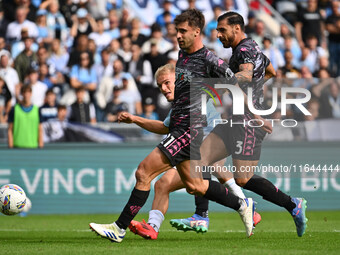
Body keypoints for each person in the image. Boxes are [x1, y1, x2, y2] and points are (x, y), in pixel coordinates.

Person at [89, 9, 269, 242]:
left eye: (183, 31)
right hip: (180, 127)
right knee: (196, 185)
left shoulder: (209, 60)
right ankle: (242, 205)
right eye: (177, 31)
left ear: (197, 31)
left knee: (144, 171)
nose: (179, 36)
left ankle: (119, 228)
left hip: (186, 130)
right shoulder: (182, 56)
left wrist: (256, 115)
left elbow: (236, 85)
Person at [196, 11, 307, 237]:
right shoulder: (252, 48)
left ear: (237, 28)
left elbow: (245, 74)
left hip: (247, 122)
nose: (218, 35)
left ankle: (292, 204)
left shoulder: (244, 51)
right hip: (236, 119)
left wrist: (230, 81)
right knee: (199, 159)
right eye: (218, 31)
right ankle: (200, 216)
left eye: (222, 30)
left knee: (243, 178)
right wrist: (254, 88)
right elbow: (271, 71)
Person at [120, 64, 259, 240]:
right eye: (160, 85)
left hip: (205, 149)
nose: (164, 88)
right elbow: (164, 127)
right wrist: (134, 119)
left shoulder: (194, 96)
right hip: (197, 151)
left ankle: (230, 209)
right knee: (164, 185)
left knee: (207, 170)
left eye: (167, 83)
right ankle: (154, 226)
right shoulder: (180, 106)